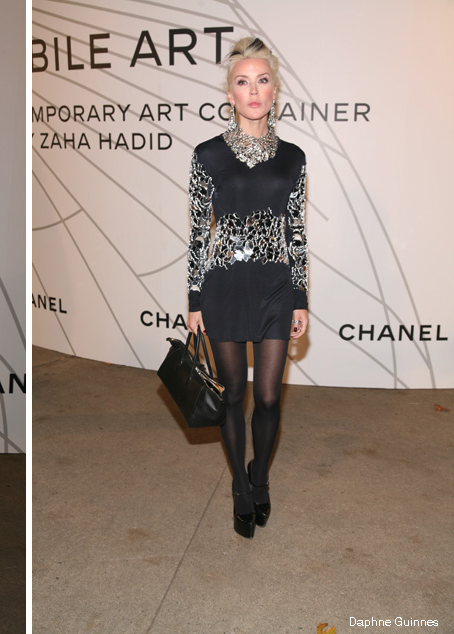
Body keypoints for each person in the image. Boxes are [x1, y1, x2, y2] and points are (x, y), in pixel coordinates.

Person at [186, 37, 309, 538]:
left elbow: (296, 231)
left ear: (274, 91)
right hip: (225, 286)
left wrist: (300, 297)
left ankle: (261, 475)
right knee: (233, 393)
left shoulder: (293, 158)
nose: (253, 90)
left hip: (276, 285)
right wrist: (194, 299)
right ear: (230, 93)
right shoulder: (208, 155)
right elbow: (199, 231)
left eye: (262, 81)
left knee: (270, 397)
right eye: (243, 82)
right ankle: (240, 484)